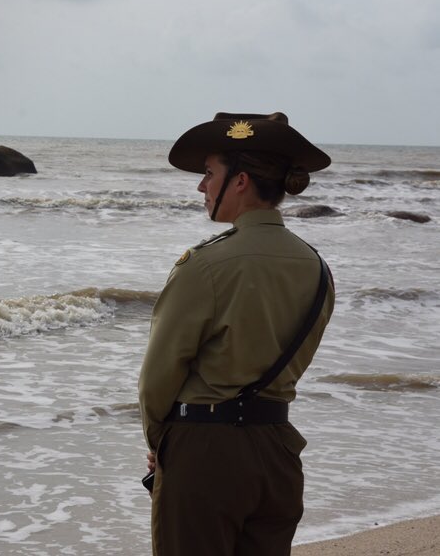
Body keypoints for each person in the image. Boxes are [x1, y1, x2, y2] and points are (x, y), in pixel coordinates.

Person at [137, 112, 335, 556]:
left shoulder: (204, 266)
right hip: (279, 451)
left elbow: (158, 378)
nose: (201, 186)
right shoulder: (317, 268)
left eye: (209, 174)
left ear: (241, 181)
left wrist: (160, 442)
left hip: (205, 451)